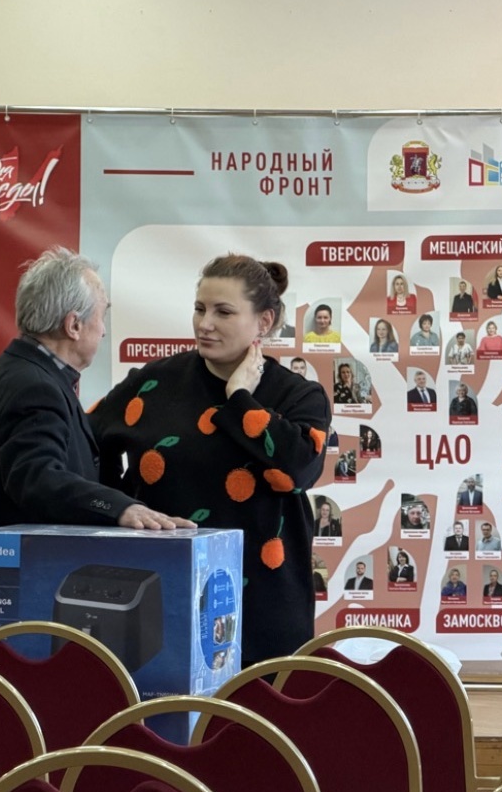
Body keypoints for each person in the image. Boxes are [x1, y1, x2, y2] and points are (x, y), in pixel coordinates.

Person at [90, 252, 332, 664]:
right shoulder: (154, 382)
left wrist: (239, 399)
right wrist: (117, 507)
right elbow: (89, 442)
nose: (205, 323)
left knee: (260, 706)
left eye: (223, 312)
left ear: (264, 321)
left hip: (264, 611)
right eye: (200, 309)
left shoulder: (297, 395)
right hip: (161, 595)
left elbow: (297, 471)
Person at [0, 248, 190, 647]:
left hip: (0, 602)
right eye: (102, 315)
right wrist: (119, 508)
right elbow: (36, 477)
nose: (105, 331)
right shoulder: (34, 386)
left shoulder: (5, 374)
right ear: (74, 325)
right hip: (23, 610)